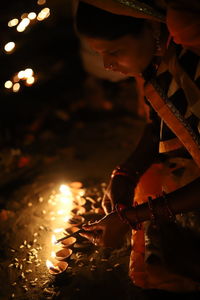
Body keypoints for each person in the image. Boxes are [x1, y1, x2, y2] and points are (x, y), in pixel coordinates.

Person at [74, 0, 200, 293]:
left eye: (114, 52)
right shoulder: (159, 66)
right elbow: (157, 126)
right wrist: (125, 175)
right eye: (100, 55)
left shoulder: (192, 64)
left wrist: (131, 217)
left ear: (152, 28)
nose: (107, 65)